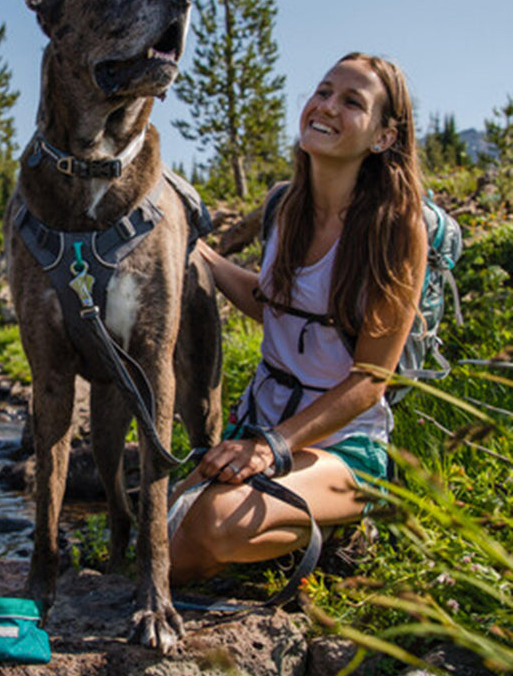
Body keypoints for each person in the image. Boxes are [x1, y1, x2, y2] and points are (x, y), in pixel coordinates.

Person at [168, 52, 428, 585]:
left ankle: (342, 530)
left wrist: (272, 447)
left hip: (342, 448)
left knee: (210, 524)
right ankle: (290, 533)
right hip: (260, 425)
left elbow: (370, 380)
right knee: (164, 535)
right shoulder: (284, 206)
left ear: (384, 136)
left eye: (351, 102)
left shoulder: (396, 229)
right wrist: (205, 258)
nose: (326, 106)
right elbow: (278, 309)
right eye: (323, 91)